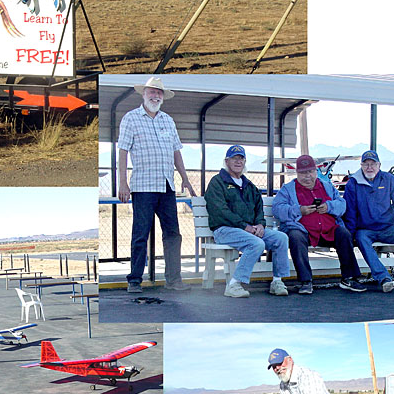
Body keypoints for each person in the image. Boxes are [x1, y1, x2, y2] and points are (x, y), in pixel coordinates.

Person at [118, 77, 196, 293]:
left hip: (167, 185)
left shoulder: (167, 120)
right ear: (143, 94)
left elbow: (175, 151)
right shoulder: (131, 118)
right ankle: (134, 280)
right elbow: (123, 151)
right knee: (140, 233)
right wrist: (123, 182)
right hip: (143, 186)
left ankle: (174, 279)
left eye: (159, 93)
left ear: (163, 97)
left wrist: (185, 178)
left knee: (173, 233)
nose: (155, 96)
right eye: (152, 92)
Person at [272, 155, 366, 295]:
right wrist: (299, 210)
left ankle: (349, 278)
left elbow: (342, 205)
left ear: (316, 171)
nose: (307, 176)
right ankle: (306, 281)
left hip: (328, 229)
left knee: (344, 234)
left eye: (310, 172)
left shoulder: (327, 186)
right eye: (303, 173)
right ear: (297, 173)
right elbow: (277, 209)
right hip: (303, 230)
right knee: (295, 237)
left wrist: (329, 207)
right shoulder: (288, 189)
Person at [204, 145, 290, 298]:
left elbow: (259, 208)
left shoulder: (249, 185)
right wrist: (244, 226)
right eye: (234, 158)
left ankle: (277, 281)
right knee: (256, 243)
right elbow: (220, 211)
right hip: (224, 230)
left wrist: (260, 225)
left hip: (248, 230)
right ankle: (234, 285)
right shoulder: (217, 182)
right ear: (227, 161)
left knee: (281, 238)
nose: (238, 162)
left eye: (241, 158)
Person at [343, 150, 394, 292]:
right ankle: (383, 278)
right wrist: (350, 234)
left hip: (388, 228)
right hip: (365, 230)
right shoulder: (353, 183)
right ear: (361, 166)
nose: (369, 167)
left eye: (373, 164)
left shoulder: (389, 179)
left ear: (379, 165)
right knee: (361, 238)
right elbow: (350, 212)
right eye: (366, 164)